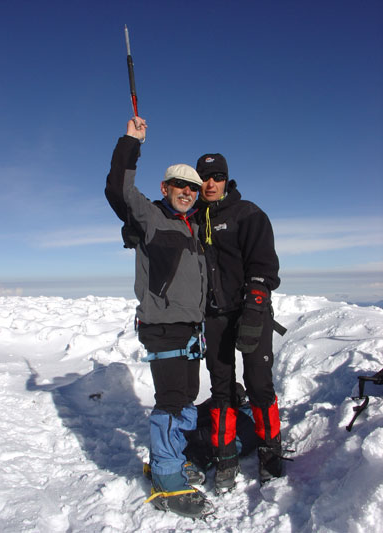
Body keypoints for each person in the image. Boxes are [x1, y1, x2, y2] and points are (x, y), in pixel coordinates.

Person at [104, 116, 213, 519]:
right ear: (165, 188)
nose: (187, 192)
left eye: (193, 188)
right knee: (170, 403)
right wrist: (132, 142)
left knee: (185, 400)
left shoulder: (193, 229)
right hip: (163, 328)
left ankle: (169, 459)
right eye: (179, 186)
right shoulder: (150, 216)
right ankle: (167, 479)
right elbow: (118, 189)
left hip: (189, 329)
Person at [194, 153, 286, 491]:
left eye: (217, 176)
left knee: (259, 383)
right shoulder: (193, 218)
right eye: (205, 176)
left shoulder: (248, 213)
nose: (211, 183)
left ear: (226, 179)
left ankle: (270, 451)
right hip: (214, 316)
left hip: (251, 312)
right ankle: (225, 457)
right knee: (221, 388)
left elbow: (263, 267)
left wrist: (255, 307)